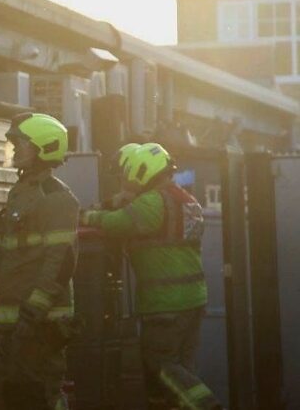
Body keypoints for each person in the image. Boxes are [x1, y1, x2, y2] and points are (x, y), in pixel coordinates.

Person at [81, 144, 222, 410]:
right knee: (181, 370)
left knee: (161, 367)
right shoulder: (185, 199)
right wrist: (114, 201)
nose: (125, 181)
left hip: (165, 304)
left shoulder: (151, 202)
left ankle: (208, 406)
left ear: (141, 170)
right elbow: (126, 208)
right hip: (192, 300)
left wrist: (87, 215)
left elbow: (116, 223)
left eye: (127, 175)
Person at [0, 112, 80, 410]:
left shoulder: (58, 198)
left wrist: (35, 309)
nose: (13, 150)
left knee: (43, 394)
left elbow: (61, 261)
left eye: (20, 143)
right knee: (17, 395)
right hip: (15, 320)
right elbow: (6, 250)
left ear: (44, 147)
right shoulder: (19, 193)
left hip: (43, 322)